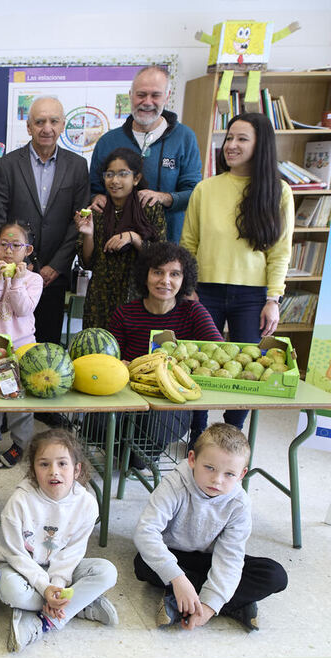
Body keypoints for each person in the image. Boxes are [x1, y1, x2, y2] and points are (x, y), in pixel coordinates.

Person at [181, 112, 292, 441]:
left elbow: (279, 251)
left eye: (242, 139)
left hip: (253, 296)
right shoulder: (205, 189)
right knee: (198, 365)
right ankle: (197, 434)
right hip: (205, 292)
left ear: (261, 146)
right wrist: (188, 289)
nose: (232, 145)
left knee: (246, 370)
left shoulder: (278, 192)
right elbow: (188, 244)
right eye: (229, 138)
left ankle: (231, 437)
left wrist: (273, 299)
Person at [133, 423, 287, 632]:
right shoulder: (174, 484)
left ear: (242, 474)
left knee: (275, 575)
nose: (217, 479)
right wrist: (178, 579)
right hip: (176, 554)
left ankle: (191, 604)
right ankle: (235, 602)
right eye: (209, 468)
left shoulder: (239, 503)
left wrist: (209, 606)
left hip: (212, 559)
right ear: (192, 459)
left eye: (229, 474)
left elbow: (230, 558)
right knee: (143, 563)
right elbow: (146, 532)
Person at [0, 429, 119, 652]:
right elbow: (14, 553)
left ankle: (45, 619)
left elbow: (72, 554)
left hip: (59, 568)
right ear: (33, 471)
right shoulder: (20, 501)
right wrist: (45, 587)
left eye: (62, 464)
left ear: (77, 469)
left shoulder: (87, 504)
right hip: (19, 566)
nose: (54, 472)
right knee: (10, 591)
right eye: (44, 464)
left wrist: (56, 585)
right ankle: (79, 605)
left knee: (107, 572)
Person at [105, 242, 223, 468]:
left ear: (184, 279)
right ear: (145, 275)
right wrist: (119, 364)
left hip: (169, 400)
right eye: (157, 272)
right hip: (127, 394)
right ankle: (123, 446)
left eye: (174, 274)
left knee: (138, 460)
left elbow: (217, 353)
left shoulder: (194, 312)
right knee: (97, 424)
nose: (165, 281)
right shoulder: (125, 313)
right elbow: (109, 360)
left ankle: (135, 453)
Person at [0, 96, 89, 345]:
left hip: (56, 274)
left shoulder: (77, 166)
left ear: (63, 124)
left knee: (48, 345)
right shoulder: (7, 165)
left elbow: (78, 222)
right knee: (12, 341)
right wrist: (25, 261)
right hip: (16, 272)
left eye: (54, 121)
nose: (47, 128)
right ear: (29, 126)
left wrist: (55, 266)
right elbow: (0, 218)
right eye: (40, 121)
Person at [89, 66, 202, 244]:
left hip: (166, 247)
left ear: (167, 95)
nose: (147, 102)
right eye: (141, 95)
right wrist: (96, 198)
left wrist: (164, 198)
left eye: (155, 95)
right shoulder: (107, 141)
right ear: (130, 95)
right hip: (115, 250)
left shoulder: (185, 138)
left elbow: (194, 193)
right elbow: (92, 188)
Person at [0, 222, 42, 468]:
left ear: (28, 249)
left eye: (16, 245)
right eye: (3, 244)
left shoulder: (33, 279)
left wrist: (16, 282)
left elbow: (24, 309)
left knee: (19, 400)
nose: (9, 250)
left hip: (21, 348)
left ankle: (19, 444)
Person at [76, 147, 165, 330]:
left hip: (137, 295)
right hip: (100, 297)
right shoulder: (97, 210)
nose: (115, 181)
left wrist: (133, 238)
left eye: (122, 174)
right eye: (109, 174)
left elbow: (161, 257)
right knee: (98, 353)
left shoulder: (148, 207)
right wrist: (88, 234)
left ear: (136, 178)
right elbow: (87, 263)